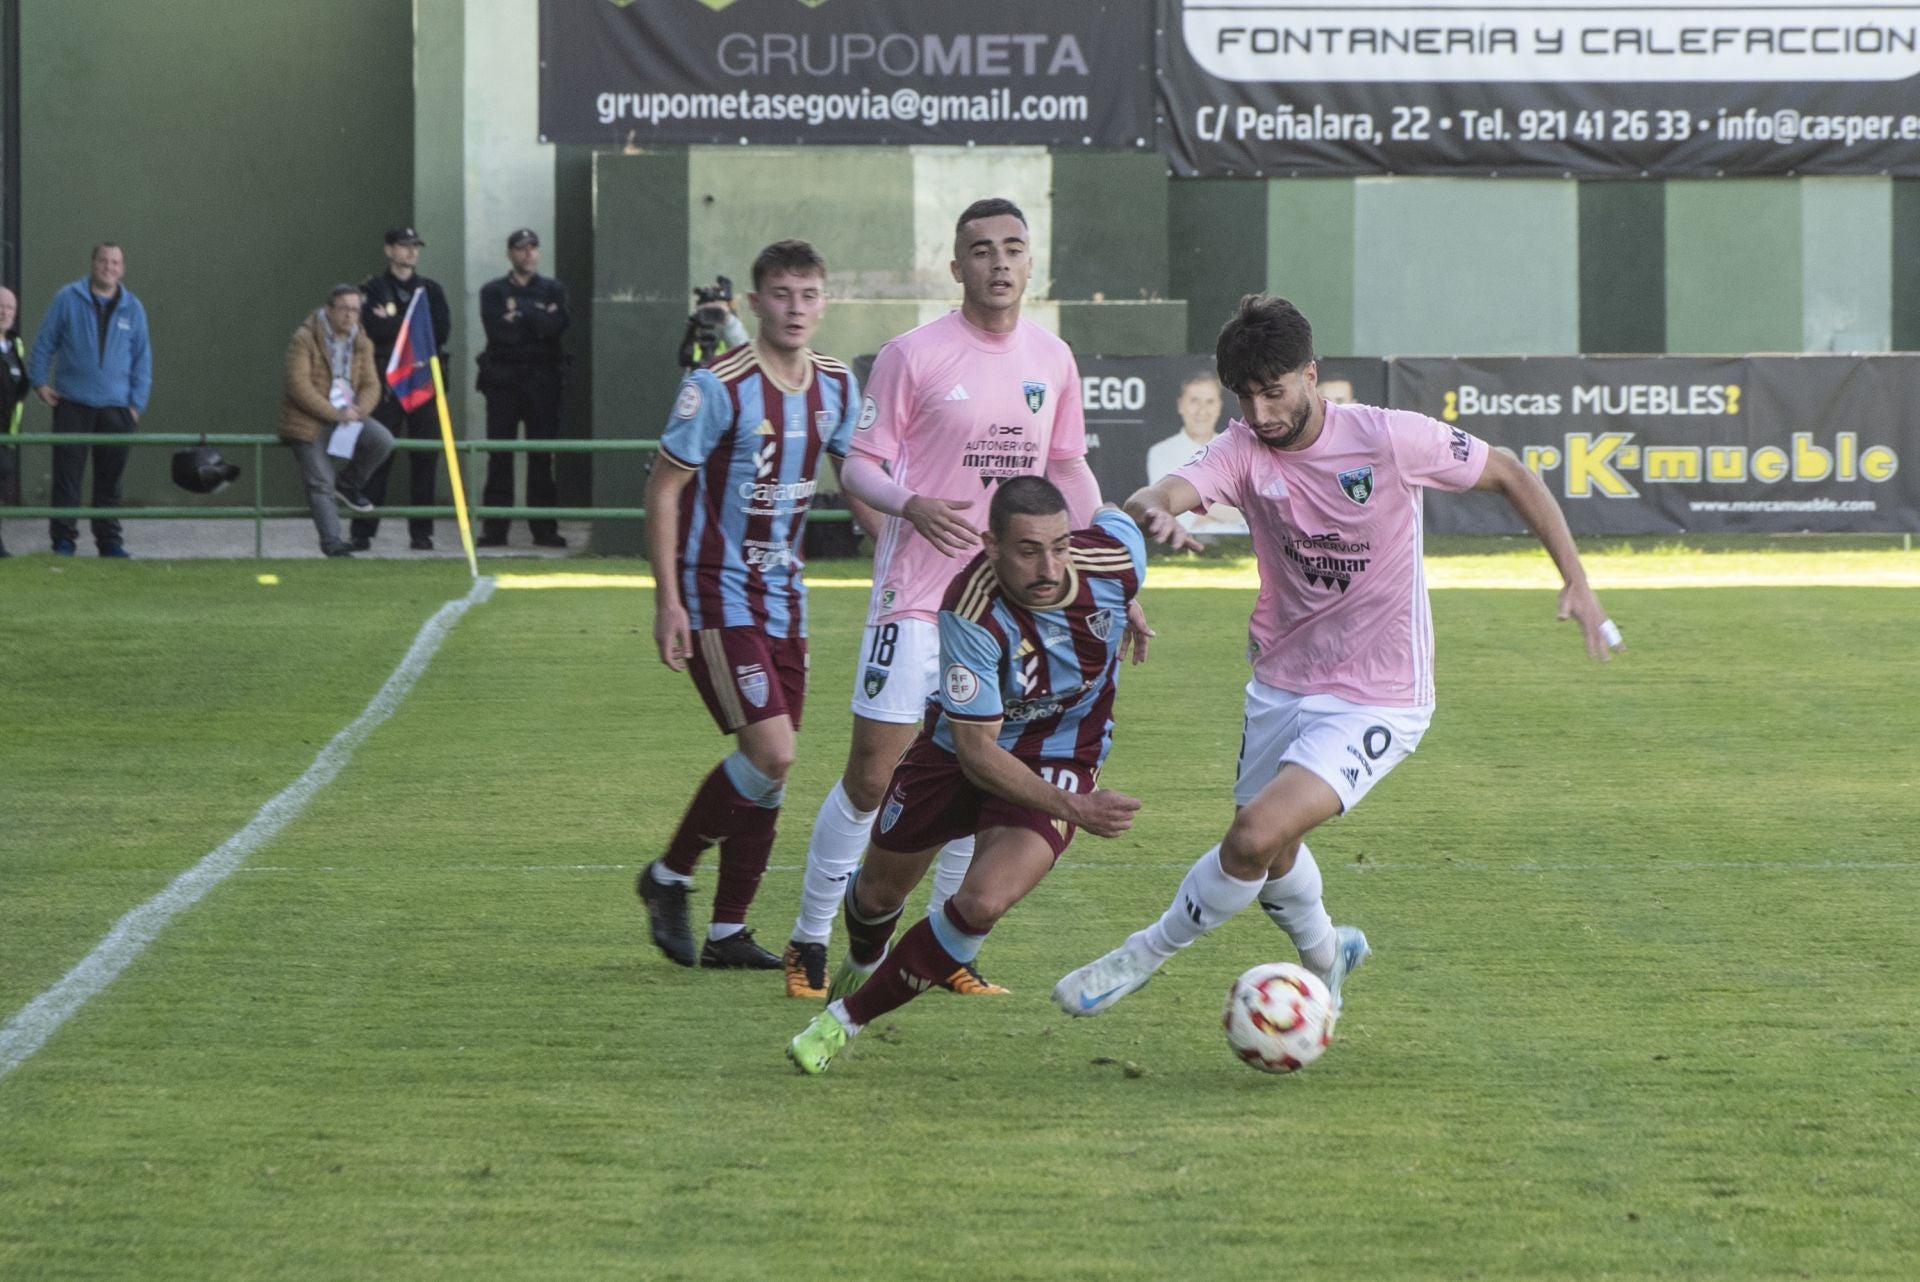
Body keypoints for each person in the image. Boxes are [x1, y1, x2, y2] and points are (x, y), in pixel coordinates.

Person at [1053, 295, 1624, 1022]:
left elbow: (1509, 470)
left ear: (1310, 374)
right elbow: (1160, 489)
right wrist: (1156, 509)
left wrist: (1576, 579)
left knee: (1254, 835)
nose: (1260, 413)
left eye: (1274, 391)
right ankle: (1327, 954)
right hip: (1281, 680)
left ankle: (1141, 954)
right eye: (1247, 396)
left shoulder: (1387, 440)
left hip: (1381, 692)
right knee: (1273, 849)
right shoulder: (1241, 449)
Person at [782, 196, 1149, 1001]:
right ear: (957, 267)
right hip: (916, 597)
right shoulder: (912, 355)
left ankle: (947, 947)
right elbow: (861, 464)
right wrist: (910, 504)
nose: (999, 263)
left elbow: (1069, 471)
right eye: (981, 250)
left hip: (1008, 610)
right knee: (875, 777)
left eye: (1013, 248)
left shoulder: (1052, 358)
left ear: (1030, 261)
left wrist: (1111, 579)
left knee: (985, 766)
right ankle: (810, 938)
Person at [786, 478, 1147, 1074]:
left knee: (981, 901)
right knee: (878, 898)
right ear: (992, 544)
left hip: (1061, 753)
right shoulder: (969, 608)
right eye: (1029, 550)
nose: (1050, 566)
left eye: (1059, 546)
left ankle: (839, 1023)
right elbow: (977, 752)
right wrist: (1078, 809)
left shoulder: (1112, 561)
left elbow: (1128, 511)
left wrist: (1129, 596)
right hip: (957, 750)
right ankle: (866, 951)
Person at [636, 239, 861, 972]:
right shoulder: (719, 384)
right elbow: (664, 487)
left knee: (770, 769)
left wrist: (917, 541)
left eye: (809, 295)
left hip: (785, 600)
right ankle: (668, 876)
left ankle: (728, 932)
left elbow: (857, 484)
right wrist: (668, 601)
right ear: (756, 304)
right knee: (774, 750)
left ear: (824, 303)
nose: (796, 308)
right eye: (782, 295)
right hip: (714, 591)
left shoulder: (835, 385)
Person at [28, 243, 151, 558]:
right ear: (92, 263)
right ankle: (64, 540)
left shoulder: (133, 308)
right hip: (73, 404)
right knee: (67, 478)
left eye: (115, 262)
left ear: (122, 268)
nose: (108, 267)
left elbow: (142, 359)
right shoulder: (67, 299)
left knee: (110, 481)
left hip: (117, 410)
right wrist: (40, 382)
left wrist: (136, 404)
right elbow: (45, 342)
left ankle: (109, 541)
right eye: (103, 260)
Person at [279, 285, 396, 557]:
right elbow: (298, 386)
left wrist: (358, 410)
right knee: (320, 481)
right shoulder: (304, 338)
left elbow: (371, 385)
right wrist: (334, 413)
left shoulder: (362, 341)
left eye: (355, 309)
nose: (349, 315)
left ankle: (348, 484)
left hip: (347, 416)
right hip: (308, 421)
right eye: (344, 308)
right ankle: (333, 542)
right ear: (329, 310)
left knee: (382, 440)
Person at [354, 227, 452, 552]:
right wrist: (410, 328)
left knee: (425, 457)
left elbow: (438, 332)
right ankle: (363, 532)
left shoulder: (430, 290)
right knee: (378, 453)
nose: (410, 252)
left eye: (414, 246)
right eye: (403, 246)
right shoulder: (372, 288)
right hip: (386, 384)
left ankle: (421, 533)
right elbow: (370, 326)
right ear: (389, 249)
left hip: (422, 381)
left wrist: (395, 326)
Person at [477, 228, 571, 550]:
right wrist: (537, 319)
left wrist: (520, 316)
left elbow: (556, 328)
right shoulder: (492, 291)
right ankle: (495, 529)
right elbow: (500, 334)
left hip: (543, 383)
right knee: (499, 454)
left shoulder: (553, 289)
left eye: (533, 248)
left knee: (541, 456)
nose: (529, 254)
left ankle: (544, 529)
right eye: (522, 249)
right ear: (510, 254)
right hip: (503, 382)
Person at [1145, 370, 1244, 534]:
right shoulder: (1160, 453)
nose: (1201, 410)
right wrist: (1227, 511)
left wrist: (1191, 501)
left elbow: (1247, 512)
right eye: (1194, 401)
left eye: (1210, 401)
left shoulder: (1238, 450)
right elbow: (1167, 510)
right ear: (1180, 405)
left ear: (1219, 406)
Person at [0, 286, 28, 557]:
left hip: (7, 432)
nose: (4, 312)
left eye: (9, 307)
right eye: (0, 306)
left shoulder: (15, 344)